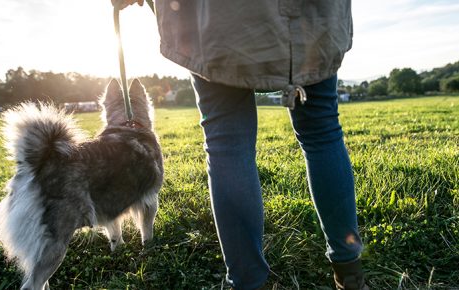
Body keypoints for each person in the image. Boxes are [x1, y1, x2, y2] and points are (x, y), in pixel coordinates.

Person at [114, 1, 369, 289]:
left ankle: (247, 282)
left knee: (227, 142)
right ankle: (350, 273)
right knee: (322, 132)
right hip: (312, 15)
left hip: (219, 17)